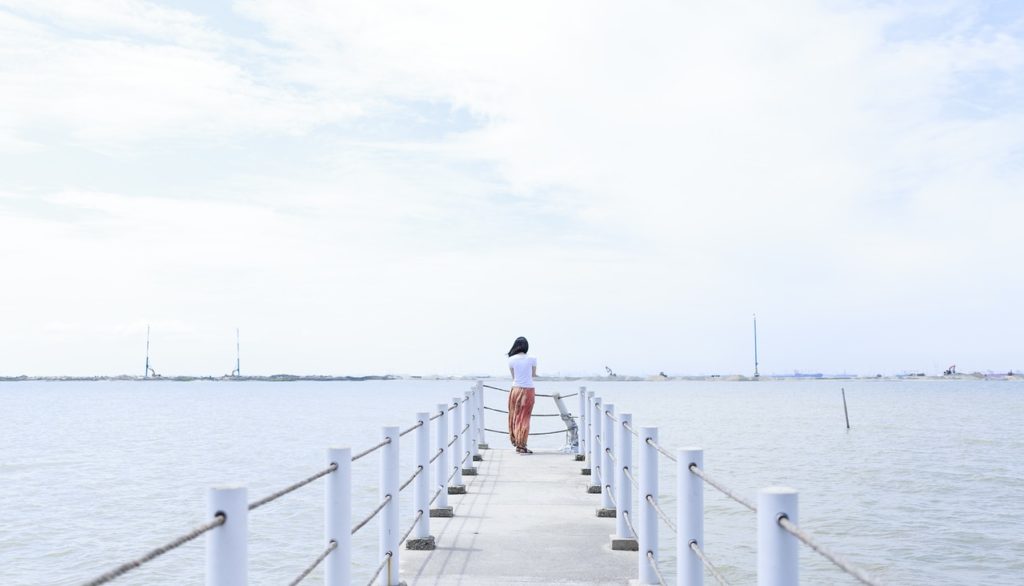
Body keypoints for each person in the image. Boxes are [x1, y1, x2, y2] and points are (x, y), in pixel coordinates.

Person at [507, 336, 537, 454]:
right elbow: (533, 375)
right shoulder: (532, 358)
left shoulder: (511, 359)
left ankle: (517, 442)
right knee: (524, 418)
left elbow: (514, 377)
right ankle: (521, 445)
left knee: (514, 417)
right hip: (527, 391)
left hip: (515, 390)